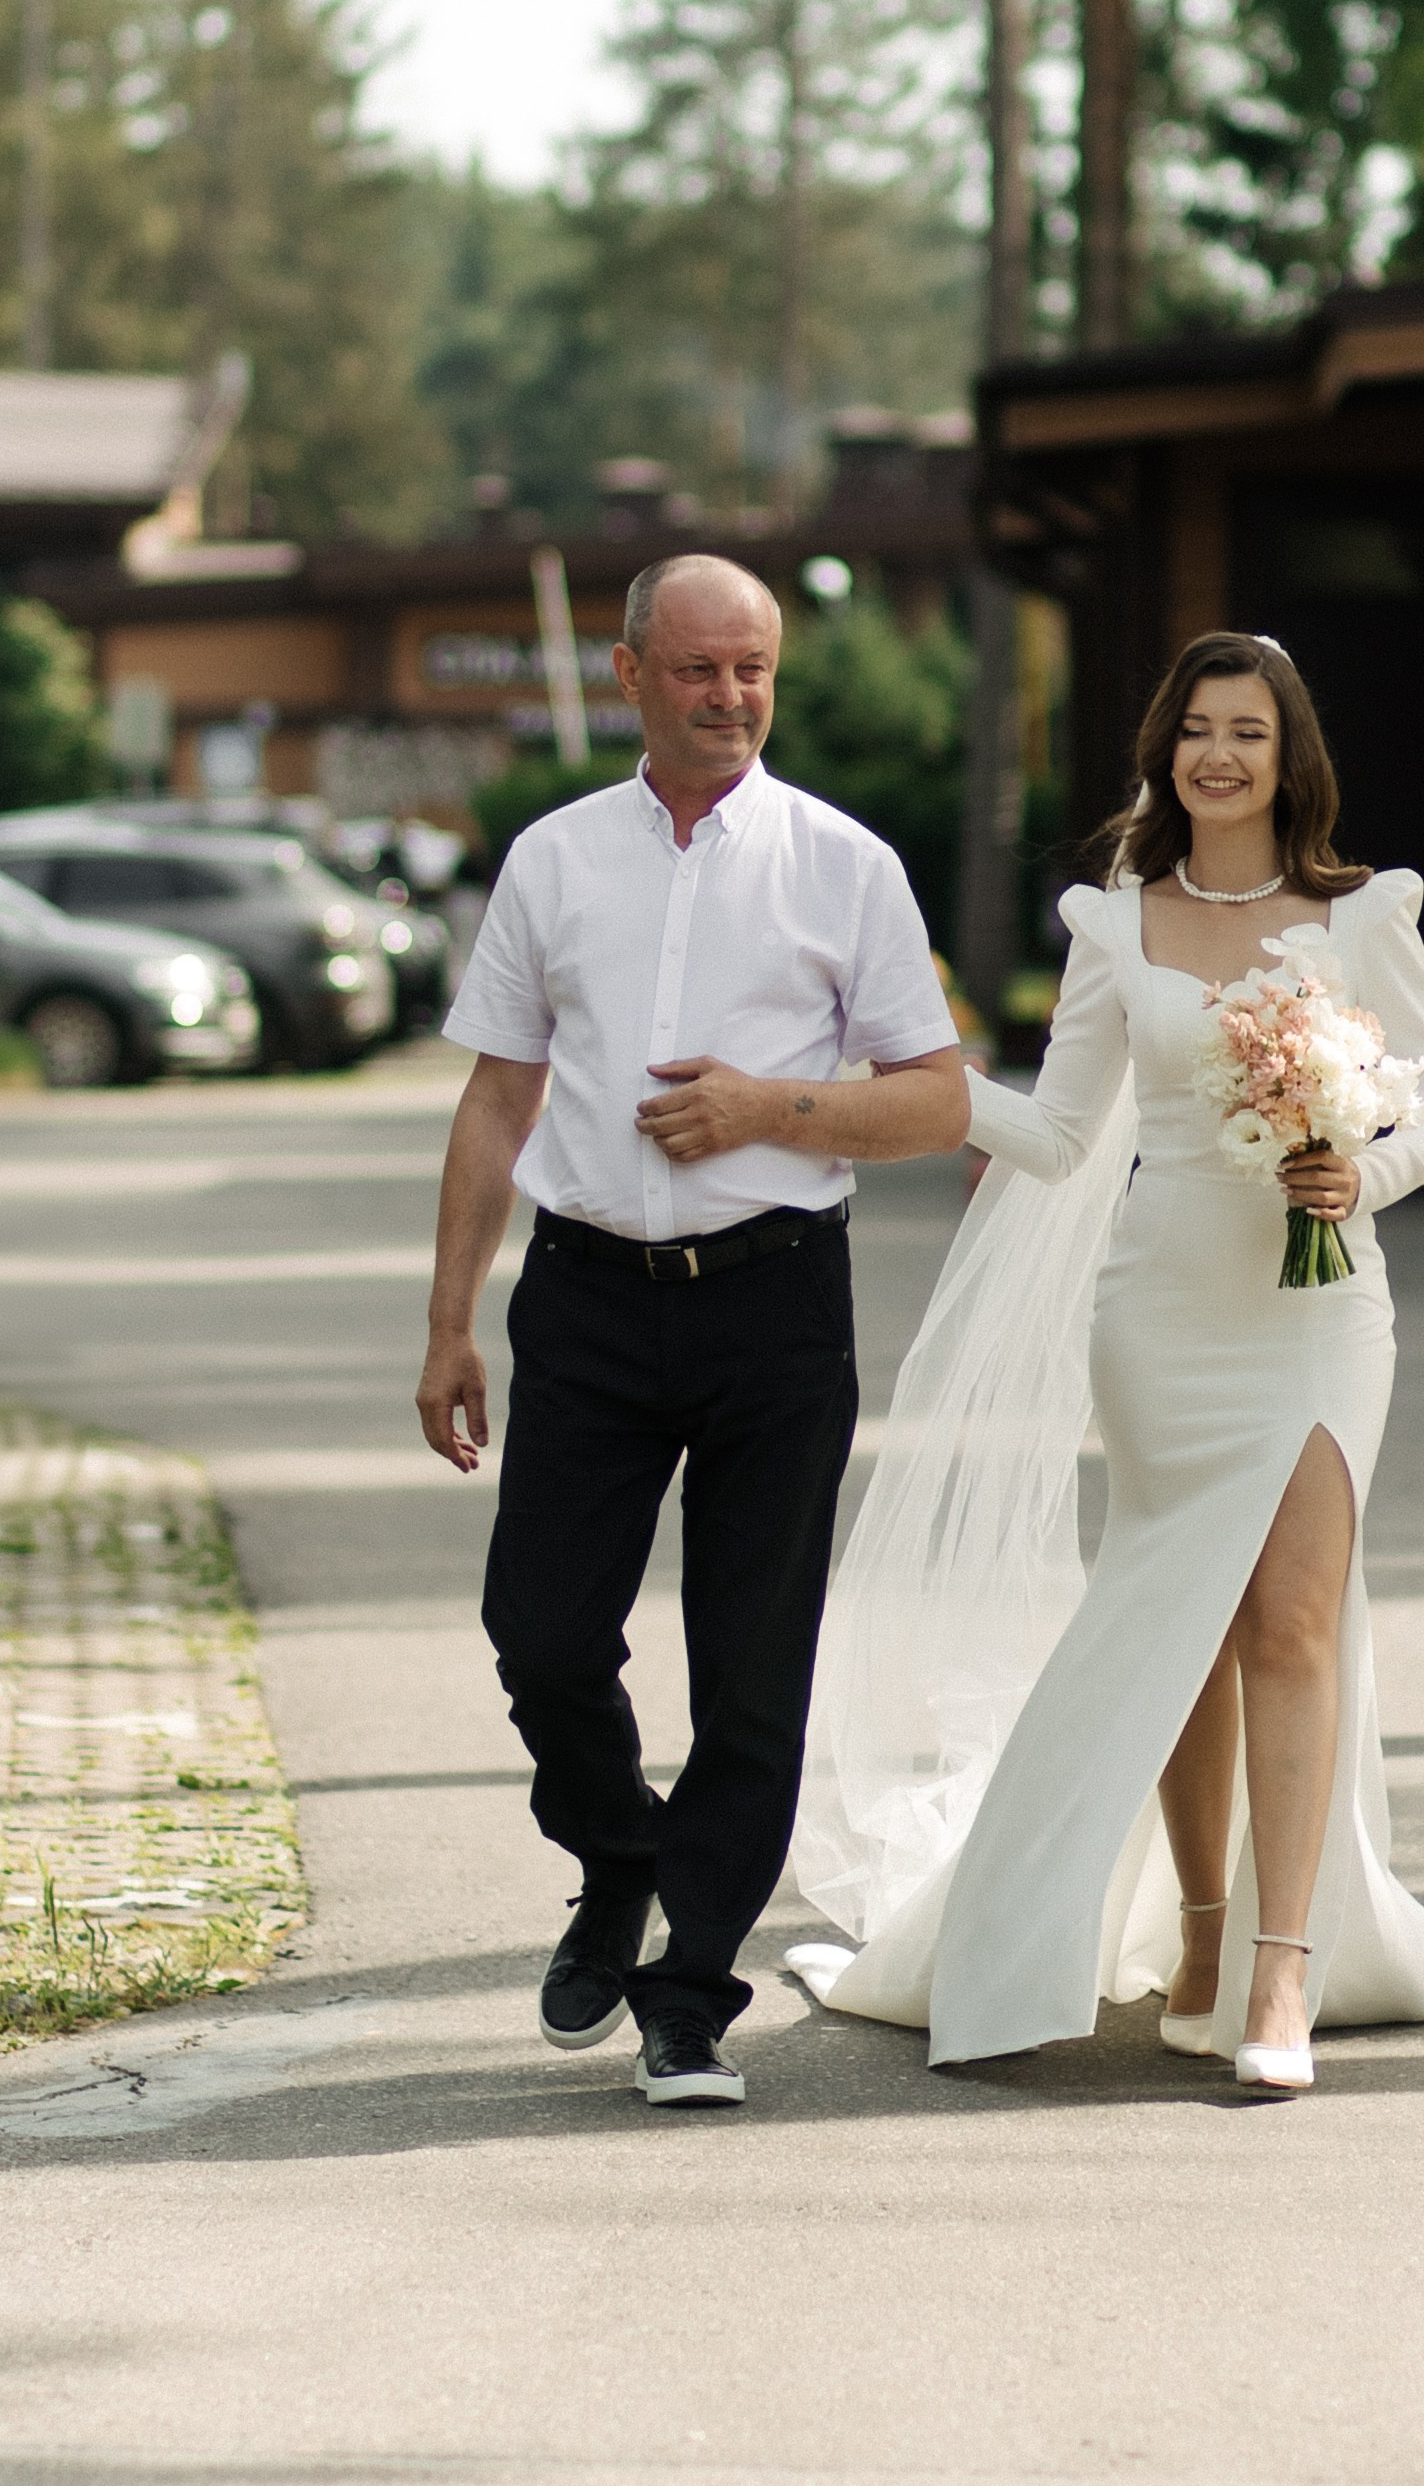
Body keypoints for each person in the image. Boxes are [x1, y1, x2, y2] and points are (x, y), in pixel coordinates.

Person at [791, 630, 1424, 2090]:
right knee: (1183, 1624)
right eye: (1194, 729)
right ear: (1162, 751)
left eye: (1246, 730)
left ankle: (1281, 1975)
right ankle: (1195, 1930)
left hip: (1319, 1310)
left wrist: (1356, 1174)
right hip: (1160, 1307)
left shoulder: (1362, 914)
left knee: (1292, 1625)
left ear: (1286, 753)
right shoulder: (1116, 923)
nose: (1217, 755)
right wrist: (936, 1097)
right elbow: (1059, 1135)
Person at [417, 553, 966, 2110]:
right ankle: (618, 1854)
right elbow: (497, 1094)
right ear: (631, 674)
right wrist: (450, 1319)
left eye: (756, 671)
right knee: (539, 1633)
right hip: (586, 1297)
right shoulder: (553, 860)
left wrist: (769, 1110)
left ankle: (689, 1990)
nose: (731, 698)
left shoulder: (841, 863)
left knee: (750, 1667)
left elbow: (934, 1094)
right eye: (701, 669)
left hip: (777, 1298)